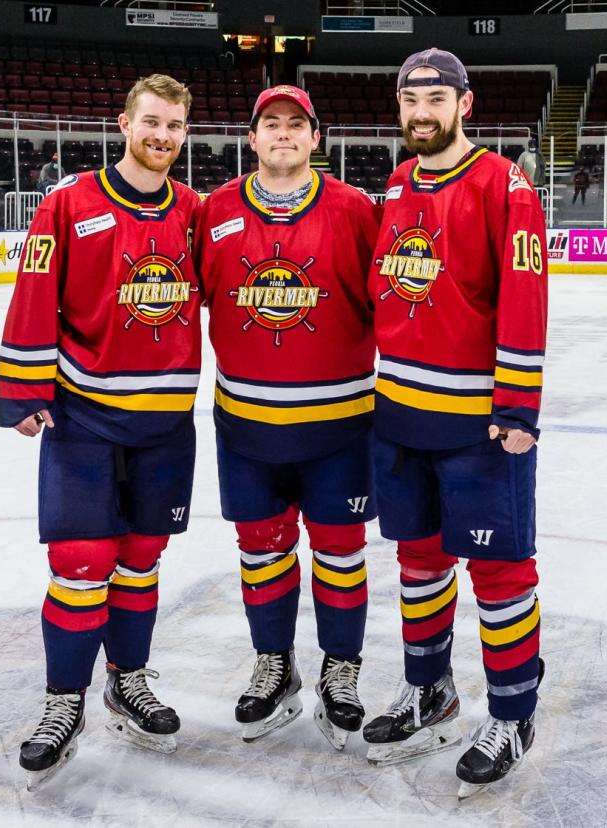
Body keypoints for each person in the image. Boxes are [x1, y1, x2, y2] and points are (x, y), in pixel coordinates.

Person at [0, 74, 200, 789]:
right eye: (152, 121)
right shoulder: (68, 203)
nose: (162, 136)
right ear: (123, 123)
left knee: (140, 561)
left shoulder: (194, 212)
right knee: (83, 564)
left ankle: (128, 679)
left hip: (167, 423)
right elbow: (34, 292)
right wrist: (22, 388)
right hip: (83, 416)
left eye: (175, 126)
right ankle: (63, 702)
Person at [362, 48, 548, 799]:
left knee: (500, 571)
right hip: (401, 411)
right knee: (418, 560)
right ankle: (429, 690)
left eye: (436, 97)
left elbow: (526, 298)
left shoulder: (505, 186)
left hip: (479, 421)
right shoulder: (400, 182)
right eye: (411, 99)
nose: (422, 111)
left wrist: (518, 407)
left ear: (465, 104)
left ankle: (512, 713)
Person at [193, 85, 379, 749]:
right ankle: (275, 663)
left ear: (315, 139)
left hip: (340, 426)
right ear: (251, 138)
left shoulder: (355, 208)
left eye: (295, 125)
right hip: (246, 425)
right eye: (270, 124)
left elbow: (397, 297)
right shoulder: (214, 211)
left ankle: (341, 666)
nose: (282, 134)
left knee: (339, 551)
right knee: (262, 552)